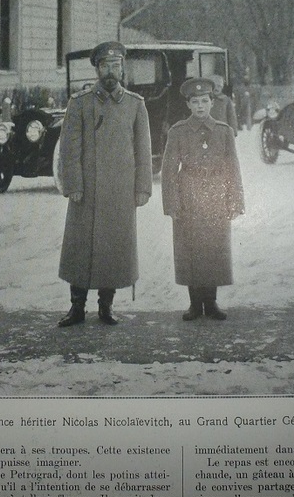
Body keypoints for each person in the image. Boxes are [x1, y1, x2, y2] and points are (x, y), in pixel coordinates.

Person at [56, 41, 153, 327]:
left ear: (123, 68)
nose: (110, 71)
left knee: (113, 248)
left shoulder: (135, 105)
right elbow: (69, 149)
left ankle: (106, 307)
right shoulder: (80, 103)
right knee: (80, 248)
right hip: (86, 191)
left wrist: (142, 187)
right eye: (105, 66)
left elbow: (143, 149)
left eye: (115, 66)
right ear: (97, 69)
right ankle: (76, 308)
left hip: (119, 191)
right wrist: (73, 183)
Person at [161, 77, 245, 321]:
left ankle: (212, 302)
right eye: (195, 102)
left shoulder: (224, 131)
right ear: (188, 105)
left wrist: (235, 201)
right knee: (191, 249)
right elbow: (168, 172)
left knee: (214, 249)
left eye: (204, 101)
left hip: (217, 195)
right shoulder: (178, 132)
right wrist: (172, 204)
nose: (200, 106)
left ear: (212, 102)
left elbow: (233, 168)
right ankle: (195, 304)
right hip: (189, 196)